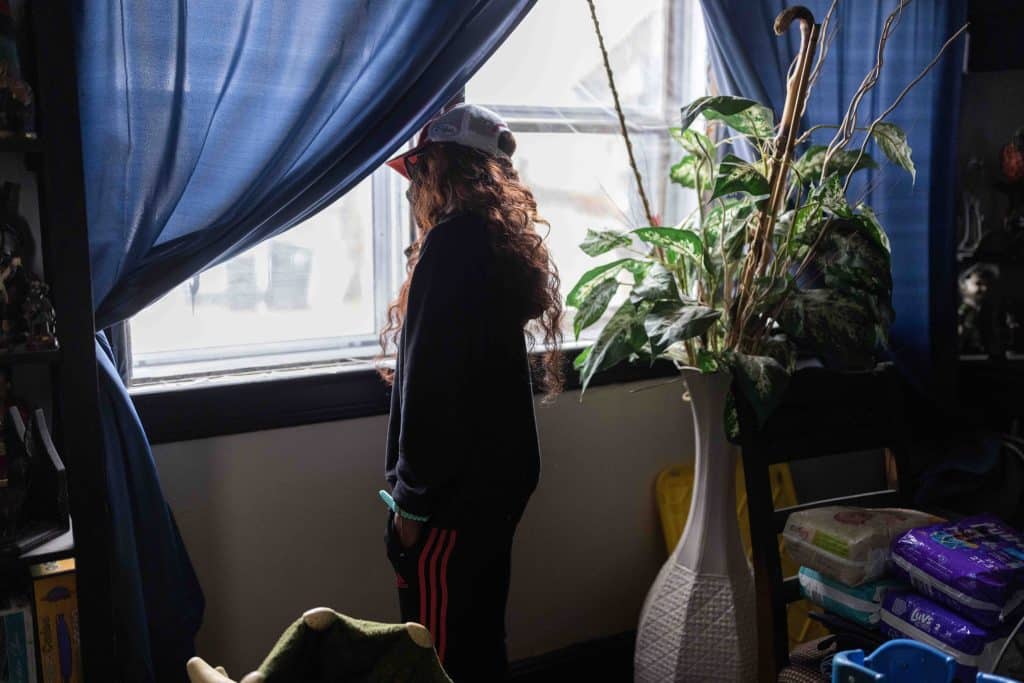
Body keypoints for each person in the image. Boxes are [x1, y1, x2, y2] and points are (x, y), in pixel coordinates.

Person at [378, 103, 563, 681]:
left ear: (440, 168)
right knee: (480, 636)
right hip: (496, 489)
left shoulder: (452, 246)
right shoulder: (495, 247)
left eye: (419, 176)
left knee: (436, 651)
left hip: (451, 501)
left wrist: (411, 508)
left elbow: (434, 388)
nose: (413, 195)